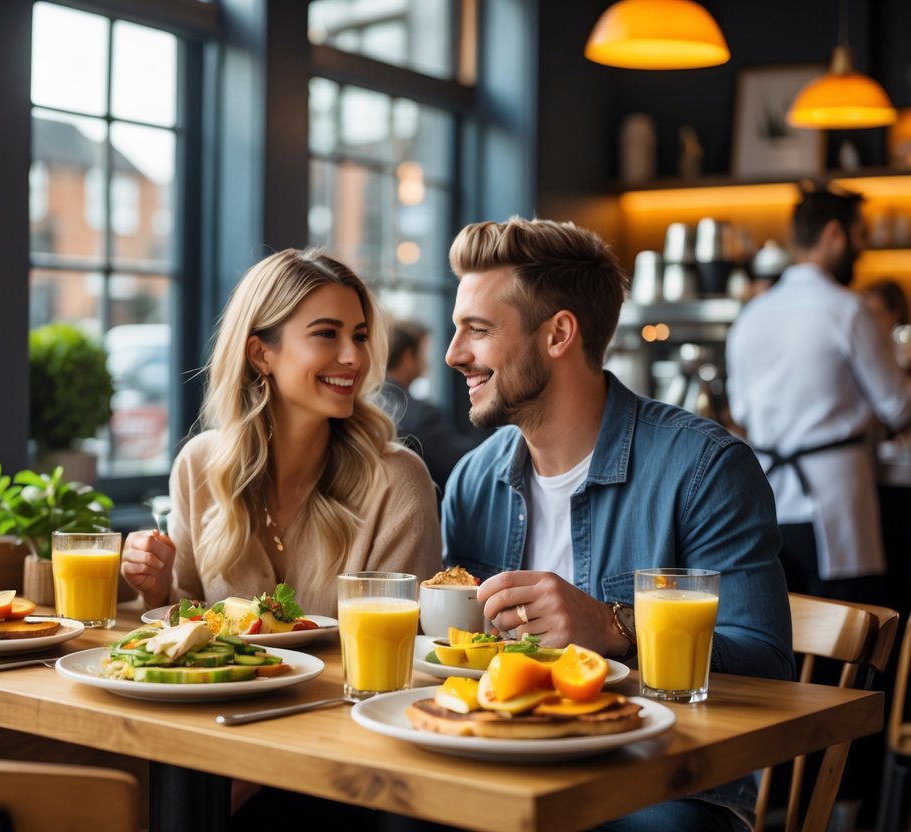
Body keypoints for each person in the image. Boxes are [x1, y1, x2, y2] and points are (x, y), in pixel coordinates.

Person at [442, 217, 793, 832]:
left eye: (477, 330)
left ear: (559, 334)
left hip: (664, 780)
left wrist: (614, 627)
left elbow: (767, 666)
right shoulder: (473, 480)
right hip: (504, 759)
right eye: (455, 329)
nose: (454, 354)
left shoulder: (705, 468)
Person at [120, 248, 442, 617]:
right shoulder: (199, 465)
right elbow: (190, 623)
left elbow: (394, 643)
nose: (354, 357)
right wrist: (159, 590)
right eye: (326, 333)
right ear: (260, 354)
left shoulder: (397, 481)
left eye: (360, 336)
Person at [727, 190, 911, 604]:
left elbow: (740, 411)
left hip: (770, 501)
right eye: (860, 235)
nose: (862, 249)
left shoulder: (752, 315)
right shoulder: (848, 309)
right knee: (851, 640)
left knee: (787, 642)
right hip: (835, 505)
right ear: (834, 234)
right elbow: (898, 406)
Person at [381, 317, 480, 490]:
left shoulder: (370, 403)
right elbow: (470, 463)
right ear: (408, 357)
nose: (428, 362)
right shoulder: (420, 415)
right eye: (423, 353)